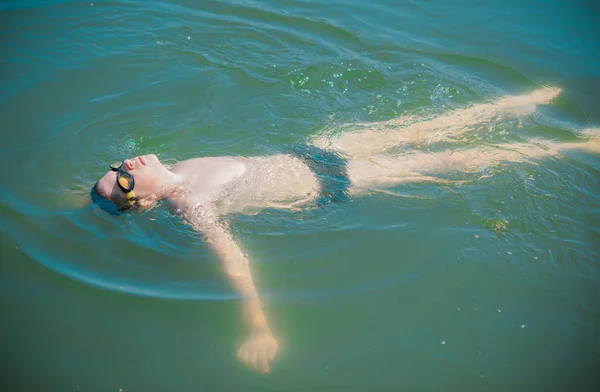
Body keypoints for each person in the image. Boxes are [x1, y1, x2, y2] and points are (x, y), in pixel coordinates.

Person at [92, 86, 599, 373]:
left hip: (307, 154)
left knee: (416, 129)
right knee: (452, 160)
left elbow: (99, 198)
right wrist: (258, 327)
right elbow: (235, 263)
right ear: (145, 198)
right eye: (123, 177)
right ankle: (573, 146)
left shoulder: (174, 170)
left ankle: (518, 102)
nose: (126, 163)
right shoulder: (192, 205)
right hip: (333, 184)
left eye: (118, 164)